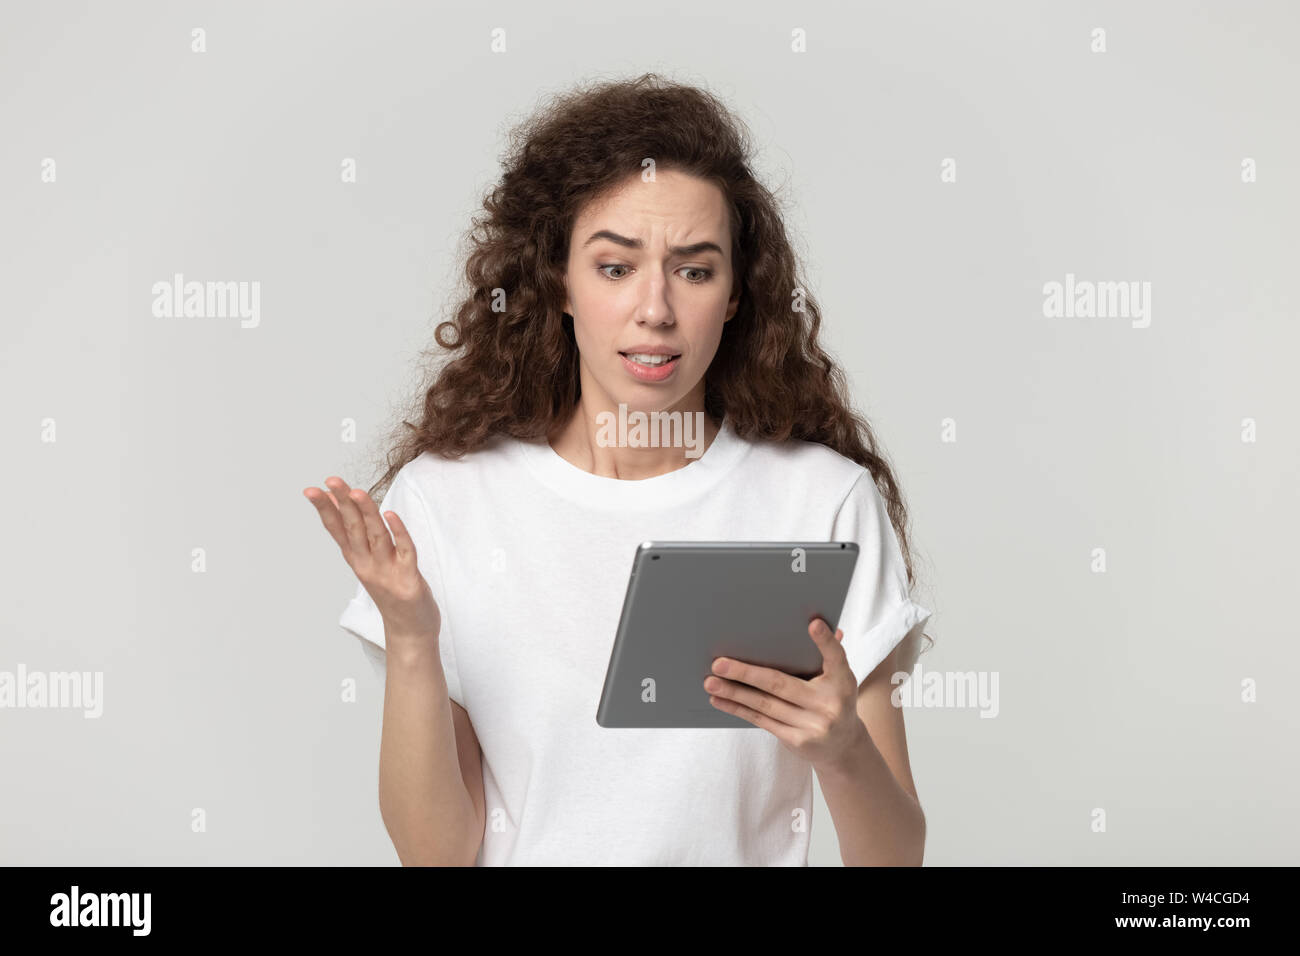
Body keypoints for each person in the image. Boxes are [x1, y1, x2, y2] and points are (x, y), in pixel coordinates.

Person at [304, 73, 934, 866]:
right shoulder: (447, 499)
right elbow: (438, 855)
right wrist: (409, 637)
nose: (656, 310)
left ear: (737, 294)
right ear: (558, 282)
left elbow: (895, 857)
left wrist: (842, 751)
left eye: (696, 271)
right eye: (614, 267)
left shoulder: (822, 499)